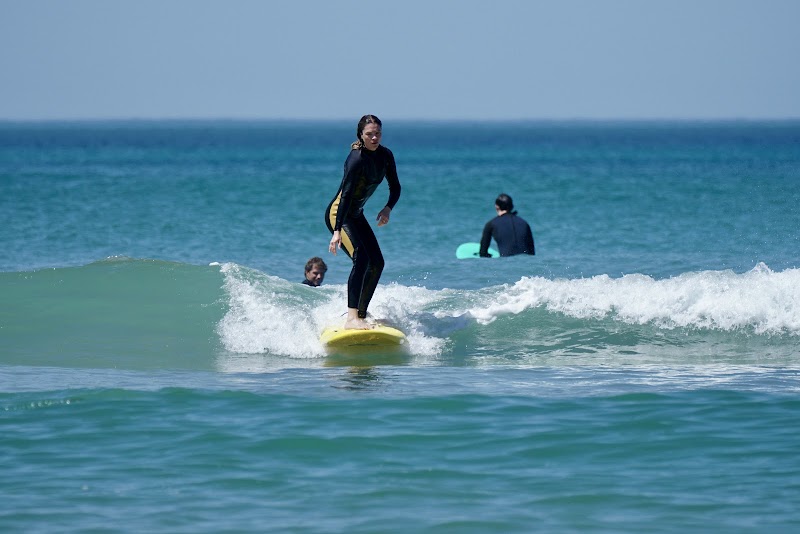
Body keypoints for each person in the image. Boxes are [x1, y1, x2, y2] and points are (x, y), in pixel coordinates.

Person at [325, 115, 401, 330]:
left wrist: (387, 208)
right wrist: (337, 230)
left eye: (378, 133)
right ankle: (351, 319)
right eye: (369, 134)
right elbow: (347, 195)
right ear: (361, 135)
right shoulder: (356, 159)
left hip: (356, 214)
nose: (374, 137)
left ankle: (361, 314)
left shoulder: (385, 156)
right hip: (339, 214)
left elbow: (395, 187)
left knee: (377, 263)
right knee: (362, 258)